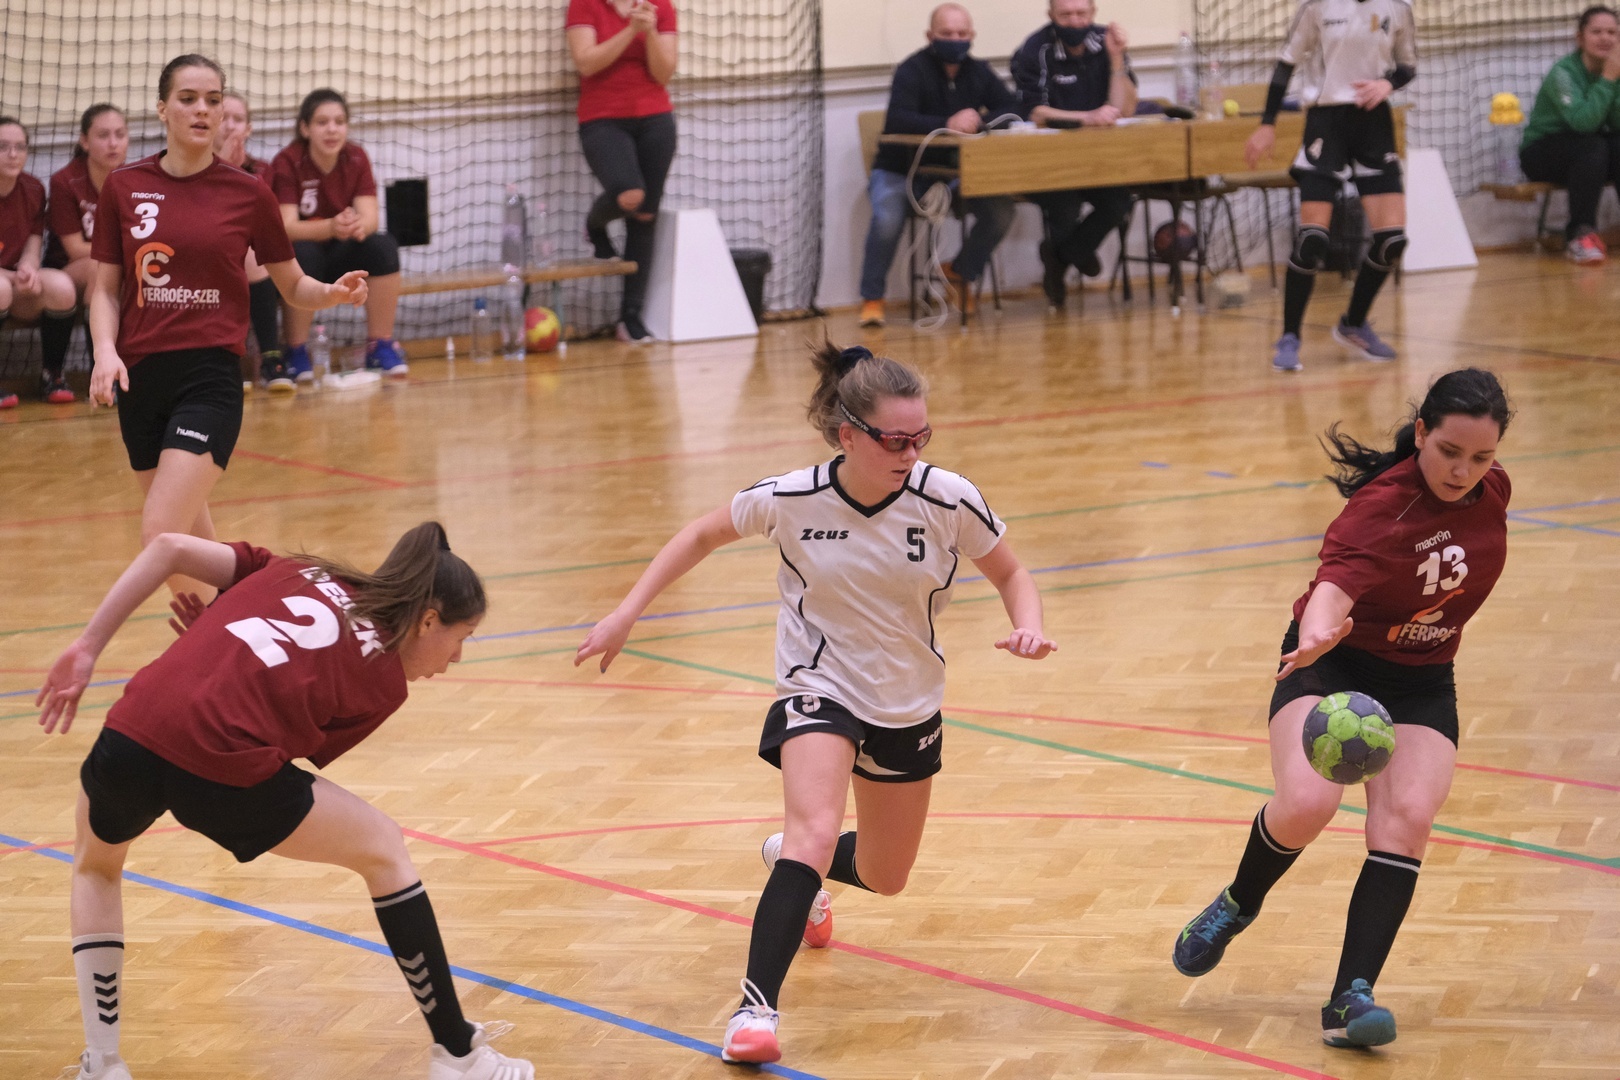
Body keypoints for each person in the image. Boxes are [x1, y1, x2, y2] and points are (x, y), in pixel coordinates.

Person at [575, 341, 1057, 1065]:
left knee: (888, 876)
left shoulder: (949, 498)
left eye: (921, 437)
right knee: (815, 830)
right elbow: (701, 533)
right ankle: (753, 1012)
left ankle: (798, 867)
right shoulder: (792, 498)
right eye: (895, 440)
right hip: (818, 685)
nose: (911, 453)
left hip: (907, 700)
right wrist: (625, 613)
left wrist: (1029, 624)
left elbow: (1011, 572)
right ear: (847, 434)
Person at [35, 522, 536, 1080]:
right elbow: (280, 735)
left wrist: (88, 647)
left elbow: (169, 548)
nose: (457, 657)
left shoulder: (296, 567)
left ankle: (103, 1064)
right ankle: (458, 1056)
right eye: (462, 637)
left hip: (134, 730)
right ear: (427, 620)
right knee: (384, 850)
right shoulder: (384, 684)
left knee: (96, 867)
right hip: (220, 769)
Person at [1172, 369, 1513, 1050]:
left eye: (1481, 457)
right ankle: (1239, 901)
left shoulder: (1493, 490)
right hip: (1333, 665)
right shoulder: (1381, 508)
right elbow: (1332, 587)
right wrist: (1318, 633)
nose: (1463, 471)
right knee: (1308, 804)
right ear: (1421, 433)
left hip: (1421, 680)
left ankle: (1350, 1001)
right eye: (1449, 451)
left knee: (1407, 819)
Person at [88, 55, 369, 600]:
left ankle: (269, 589)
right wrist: (105, 349)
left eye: (213, 100)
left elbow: (293, 284)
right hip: (140, 380)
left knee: (160, 531)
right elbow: (103, 288)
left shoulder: (248, 192)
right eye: (188, 98)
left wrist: (331, 292)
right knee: (189, 557)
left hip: (209, 379)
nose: (202, 110)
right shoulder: (124, 187)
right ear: (162, 108)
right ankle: (226, 623)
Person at [1245, 0, 1417, 373]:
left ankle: (1353, 323)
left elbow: (1407, 66)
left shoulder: (1398, 6)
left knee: (1392, 241)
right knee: (1313, 240)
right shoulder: (1317, 7)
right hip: (1326, 123)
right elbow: (1286, 63)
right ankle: (1289, 337)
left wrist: (1387, 83)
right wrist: (1267, 124)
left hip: (1373, 123)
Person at [856, 3, 1019, 328]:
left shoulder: (979, 71)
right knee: (887, 219)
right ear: (930, 36)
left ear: (971, 35)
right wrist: (948, 122)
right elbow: (897, 119)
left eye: (961, 33)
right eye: (947, 33)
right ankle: (872, 298)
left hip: (955, 172)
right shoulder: (911, 70)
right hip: (900, 170)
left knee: (1001, 210)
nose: (955, 39)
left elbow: (1013, 107)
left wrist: (980, 121)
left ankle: (959, 272)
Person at [270, 88, 405, 380]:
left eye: (339, 122)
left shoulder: (355, 157)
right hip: (306, 258)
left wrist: (356, 226)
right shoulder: (288, 161)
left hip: (342, 254)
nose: (332, 129)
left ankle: (380, 346)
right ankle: (295, 351)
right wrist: (331, 226)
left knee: (383, 246)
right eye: (322, 122)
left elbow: (371, 218)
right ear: (305, 128)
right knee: (302, 252)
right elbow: (286, 227)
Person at [1009, 0, 1136, 310]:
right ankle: (1071, 256)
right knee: (1064, 204)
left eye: (1081, 14)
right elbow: (1035, 112)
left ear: (1093, 13)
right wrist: (1087, 118)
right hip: (1048, 162)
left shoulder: (1106, 42)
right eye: (1065, 15)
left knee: (1119, 201)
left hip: (1099, 159)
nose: (1074, 21)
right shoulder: (1035, 49)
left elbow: (1125, 109)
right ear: (1051, 16)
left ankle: (1061, 256)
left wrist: (1116, 58)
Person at [566, 0, 678, 344]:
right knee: (629, 193)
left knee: (645, 215)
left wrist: (650, 32)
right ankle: (594, 224)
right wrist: (631, 30)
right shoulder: (584, 5)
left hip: (656, 119)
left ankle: (630, 317)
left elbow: (664, 73)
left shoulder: (660, 6)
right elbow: (586, 62)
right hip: (603, 119)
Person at [42, 104, 130, 404]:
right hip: (67, 271)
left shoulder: (135, 179)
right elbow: (75, 248)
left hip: (115, 267)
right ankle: (99, 373)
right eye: (103, 135)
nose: (113, 143)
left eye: (120, 134)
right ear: (85, 141)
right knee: (99, 267)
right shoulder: (66, 180)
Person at [1519, 5, 1620, 265]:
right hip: (1542, 151)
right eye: (1597, 32)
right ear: (1580, 38)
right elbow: (1583, 123)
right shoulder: (1562, 73)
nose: (1605, 38)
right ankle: (1580, 235)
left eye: (1612, 32)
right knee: (1592, 146)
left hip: (1590, 152)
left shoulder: (1615, 71)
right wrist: (1608, 79)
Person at [0, 116, 81, 408]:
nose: (13, 154)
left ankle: (52, 376)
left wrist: (29, 269)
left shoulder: (33, 189)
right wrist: (11, 278)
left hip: (13, 285)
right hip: (3, 286)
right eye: (3, 147)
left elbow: (33, 243)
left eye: (20, 147)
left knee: (61, 287)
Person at [214, 91, 290, 390]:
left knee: (254, 258)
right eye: (224, 117)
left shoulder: (262, 170)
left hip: (249, 253)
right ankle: (223, 362)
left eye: (238, 119)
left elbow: (265, 225)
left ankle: (271, 357)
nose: (230, 125)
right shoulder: (194, 165)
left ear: (248, 129)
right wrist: (224, 166)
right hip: (208, 250)